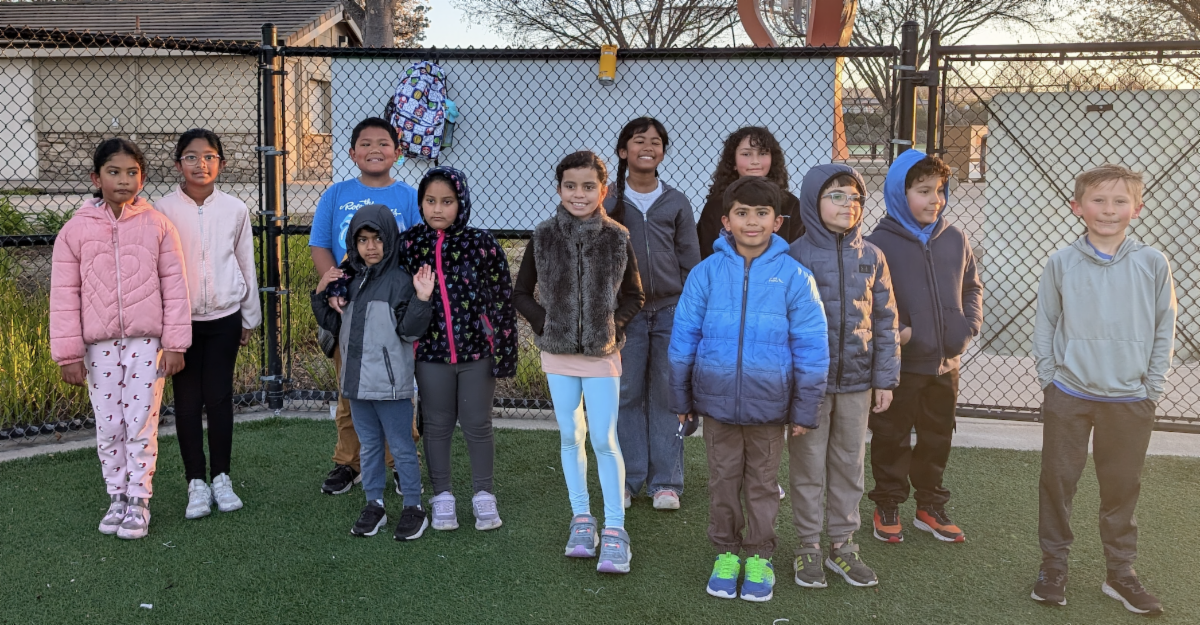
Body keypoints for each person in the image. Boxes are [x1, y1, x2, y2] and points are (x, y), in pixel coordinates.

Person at [670, 176, 829, 602]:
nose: (752, 222)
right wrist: (681, 398)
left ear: (778, 222)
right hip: (717, 404)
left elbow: (812, 347)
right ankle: (726, 553)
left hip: (769, 407)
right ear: (726, 221)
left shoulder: (796, 277)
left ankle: (759, 555)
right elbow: (683, 339)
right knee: (722, 481)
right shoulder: (705, 274)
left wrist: (804, 407)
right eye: (742, 213)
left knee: (762, 483)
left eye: (762, 213)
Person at [1030, 164, 1176, 616]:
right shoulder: (1061, 262)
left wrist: (1151, 386)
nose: (1109, 210)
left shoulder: (1153, 263)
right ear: (1077, 207)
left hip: (1130, 400)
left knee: (1121, 488)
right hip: (1069, 394)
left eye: (1119, 201)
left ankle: (1120, 573)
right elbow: (1046, 322)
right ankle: (1053, 567)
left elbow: (1164, 327)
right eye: (1098, 200)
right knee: (1058, 483)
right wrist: (1049, 379)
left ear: (1137, 208)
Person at [50, 138, 191, 540]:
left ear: (142, 179)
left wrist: (175, 343)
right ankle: (116, 496)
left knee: (141, 422)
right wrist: (68, 354)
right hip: (98, 348)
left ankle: (139, 499)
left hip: (147, 344)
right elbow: (64, 295)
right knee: (110, 424)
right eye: (114, 172)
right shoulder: (74, 231)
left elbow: (175, 287)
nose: (124, 180)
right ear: (96, 178)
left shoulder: (158, 225)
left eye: (132, 173)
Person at [513, 150, 644, 574]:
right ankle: (582, 519)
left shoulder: (617, 237)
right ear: (559, 189)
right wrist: (546, 323)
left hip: (602, 355)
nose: (579, 194)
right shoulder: (543, 236)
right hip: (557, 354)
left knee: (604, 438)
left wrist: (612, 326)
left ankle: (616, 529)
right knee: (571, 435)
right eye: (570, 186)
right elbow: (521, 294)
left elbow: (635, 296)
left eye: (588, 186)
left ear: (603, 190)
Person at [787, 164, 899, 589]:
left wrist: (884, 378)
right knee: (808, 465)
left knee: (850, 464)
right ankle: (808, 545)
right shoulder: (793, 256)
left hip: (857, 381)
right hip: (809, 385)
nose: (848, 204)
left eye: (855, 197)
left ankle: (843, 544)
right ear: (812, 201)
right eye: (836, 196)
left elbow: (886, 321)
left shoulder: (872, 256)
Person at [865, 149, 983, 544]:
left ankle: (930, 505)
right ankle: (888, 503)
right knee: (891, 436)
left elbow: (972, 287)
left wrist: (967, 326)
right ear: (900, 194)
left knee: (937, 436)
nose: (935, 200)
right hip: (901, 366)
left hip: (946, 364)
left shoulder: (955, 238)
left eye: (940, 190)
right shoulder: (877, 244)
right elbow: (870, 300)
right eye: (923, 191)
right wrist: (902, 332)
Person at [308, 117, 422, 496]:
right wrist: (336, 288)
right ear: (352, 152)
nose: (375, 149)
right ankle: (349, 462)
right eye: (366, 144)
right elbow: (320, 245)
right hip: (350, 309)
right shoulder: (336, 194)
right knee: (350, 389)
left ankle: (399, 462)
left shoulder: (408, 197)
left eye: (384, 143)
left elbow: (417, 251)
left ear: (398, 152)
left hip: (392, 312)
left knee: (397, 390)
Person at [399, 167, 517, 532]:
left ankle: (484, 495)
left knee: (478, 424)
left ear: (461, 202)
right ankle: (443, 497)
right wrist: (338, 284)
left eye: (447, 201)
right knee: (437, 426)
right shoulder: (409, 244)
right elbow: (383, 282)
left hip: (476, 354)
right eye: (430, 201)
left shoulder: (481, 243)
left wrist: (504, 349)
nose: (438, 209)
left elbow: (502, 298)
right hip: (430, 355)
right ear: (421, 203)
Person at [155, 129, 262, 520]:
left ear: (221, 163)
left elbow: (246, 262)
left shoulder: (235, 209)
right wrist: (164, 326)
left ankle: (221, 477)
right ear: (177, 164)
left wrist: (249, 315)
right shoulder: (162, 210)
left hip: (224, 319)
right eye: (191, 157)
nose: (201, 164)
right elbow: (156, 271)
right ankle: (195, 483)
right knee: (186, 403)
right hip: (180, 323)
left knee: (218, 398)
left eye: (209, 156)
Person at [312, 205, 434, 540]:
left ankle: (414, 507)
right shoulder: (346, 281)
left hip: (391, 387)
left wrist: (422, 298)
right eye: (363, 239)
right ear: (353, 243)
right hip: (356, 385)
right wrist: (322, 291)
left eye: (378, 239)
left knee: (402, 446)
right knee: (368, 446)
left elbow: (410, 331)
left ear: (390, 240)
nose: (370, 246)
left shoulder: (401, 282)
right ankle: (374, 504)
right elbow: (331, 322)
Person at [604, 117, 700, 511]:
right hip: (625, 313)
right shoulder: (608, 201)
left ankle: (666, 483)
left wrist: (689, 310)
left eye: (656, 141)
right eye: (639, 140)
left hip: (670, 311)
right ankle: (627, 480)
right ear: (623, 151)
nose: (648, 146)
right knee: (626, 393)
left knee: (666, 392)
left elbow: (690, 261)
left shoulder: (676, 202)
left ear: (663, 151)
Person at [695, 127, 803, 259]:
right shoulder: (715, 206)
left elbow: (797, 255)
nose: (755, 161)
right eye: (746, 154)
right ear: (733, 162)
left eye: (763, 153)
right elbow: (705, 254)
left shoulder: (790, 204)